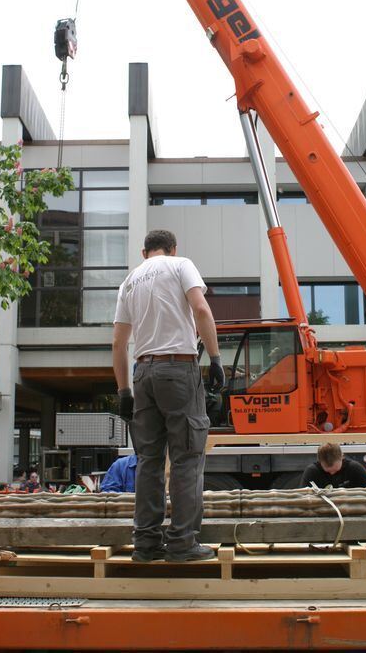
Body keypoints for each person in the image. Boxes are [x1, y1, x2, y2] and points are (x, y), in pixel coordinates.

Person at [113, 229, 225, 563]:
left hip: (142, 373)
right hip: (178, 368)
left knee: (148, 460)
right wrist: (216, 359)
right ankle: (182, 543)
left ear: (144, 251)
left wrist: (123, 392)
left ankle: (145, 545)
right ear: (172, 248)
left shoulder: (129, 282)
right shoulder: (180, 265)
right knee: (186, 457)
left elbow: (119, 343)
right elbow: (201, 310)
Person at [299, 443, 366, 489]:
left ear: (342, 457)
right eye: (327, 471)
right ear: (319, 462)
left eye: (336, 470)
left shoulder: (354, 468)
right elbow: (303, 496)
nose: (332, 473)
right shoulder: (312, 472)